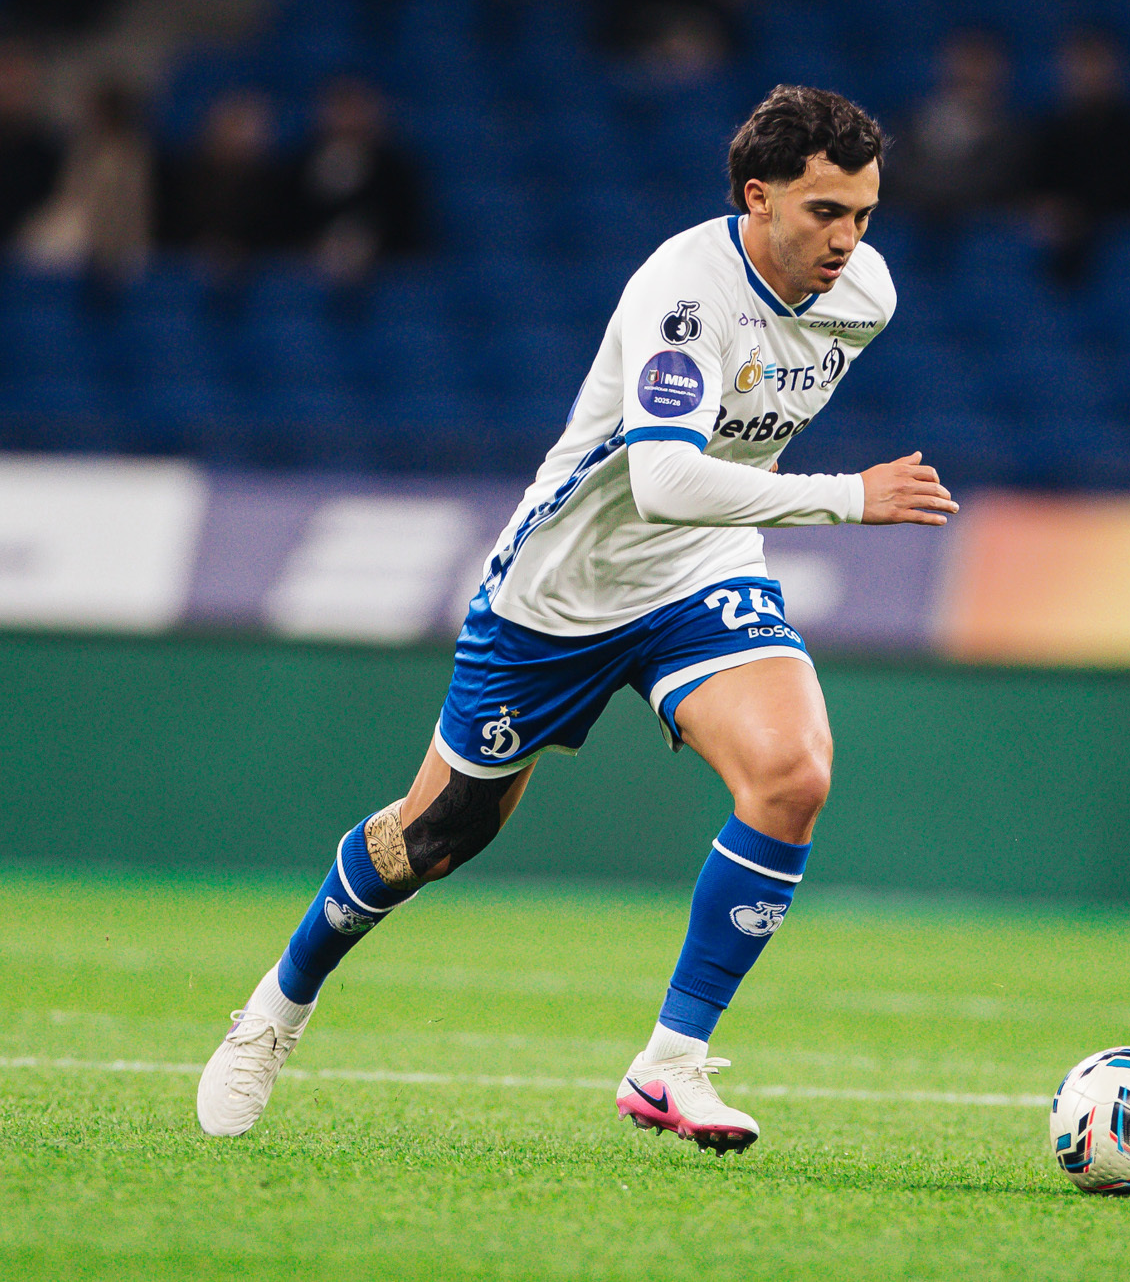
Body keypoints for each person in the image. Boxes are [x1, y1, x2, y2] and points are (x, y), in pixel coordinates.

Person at [196, 86, 958, 1151]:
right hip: (561, 590)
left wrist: (799, 497)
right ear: (757, 196)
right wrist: (848, 496)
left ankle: (671, 1063)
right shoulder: (681, 294)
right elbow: (663, 479)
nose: (849, 239)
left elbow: (715, 476)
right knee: (437, 835)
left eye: (864, 214)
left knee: (793, 775)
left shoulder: (864, 295)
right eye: (825, 211)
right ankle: (276, 1008)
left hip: (700, 571)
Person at [1028, 30, 1130, 281]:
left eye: (1096, 63)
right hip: (1060, 242)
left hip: (1116, 239)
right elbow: (1037, 190)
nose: (1088, 74)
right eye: (1081, 64)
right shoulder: (1050, 130)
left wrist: (1084, 212)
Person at [284, 77, 426, 283]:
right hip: (311, 270)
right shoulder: (299, 167)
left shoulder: (396, 170)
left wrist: (370, 246)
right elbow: (285, 226)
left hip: (381, 272)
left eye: (356, 110)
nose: (348, 120)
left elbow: (409, 232)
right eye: (340, 110)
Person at [20, 78, 151, 283]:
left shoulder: (130, 155)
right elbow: (67, 198)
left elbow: (128, 213)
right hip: (78, 241)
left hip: (116, 247)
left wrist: (109, 254)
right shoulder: (81, 149)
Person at [890, 29, 1022, 225]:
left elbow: (995, 185)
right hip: (917, 217)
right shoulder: (916, 122)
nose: (970, 73)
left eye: (979, 64)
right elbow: (898, 176)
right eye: (964, 63)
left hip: (978, 221)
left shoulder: (1009, 132)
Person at [155, 90, 289, 270]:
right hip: (191, 263)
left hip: (254, 268)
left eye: (247, 130)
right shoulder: (183, 180)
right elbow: (171, 232)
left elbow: (280, 240)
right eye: (233, 127)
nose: (240, 139)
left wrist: (239, 250)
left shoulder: (277, 186)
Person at [0, 42, 61, 248]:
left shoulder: (48, 150)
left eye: (18, 82)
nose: (10, 90)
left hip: (28, 246)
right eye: (5, 79)